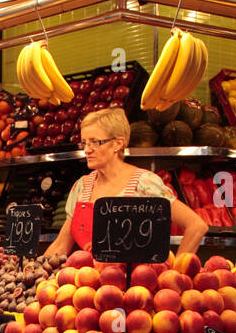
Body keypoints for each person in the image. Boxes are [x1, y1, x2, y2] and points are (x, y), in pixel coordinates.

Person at [45, 108, 208, 259]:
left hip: (135, 285)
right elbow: (61, 245)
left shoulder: (144, 183)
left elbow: (196, 226)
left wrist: (177, 271)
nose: (87, 150)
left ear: (118, 143)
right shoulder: (82, 186)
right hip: (89, 285)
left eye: (94, 142)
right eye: (84, 143)